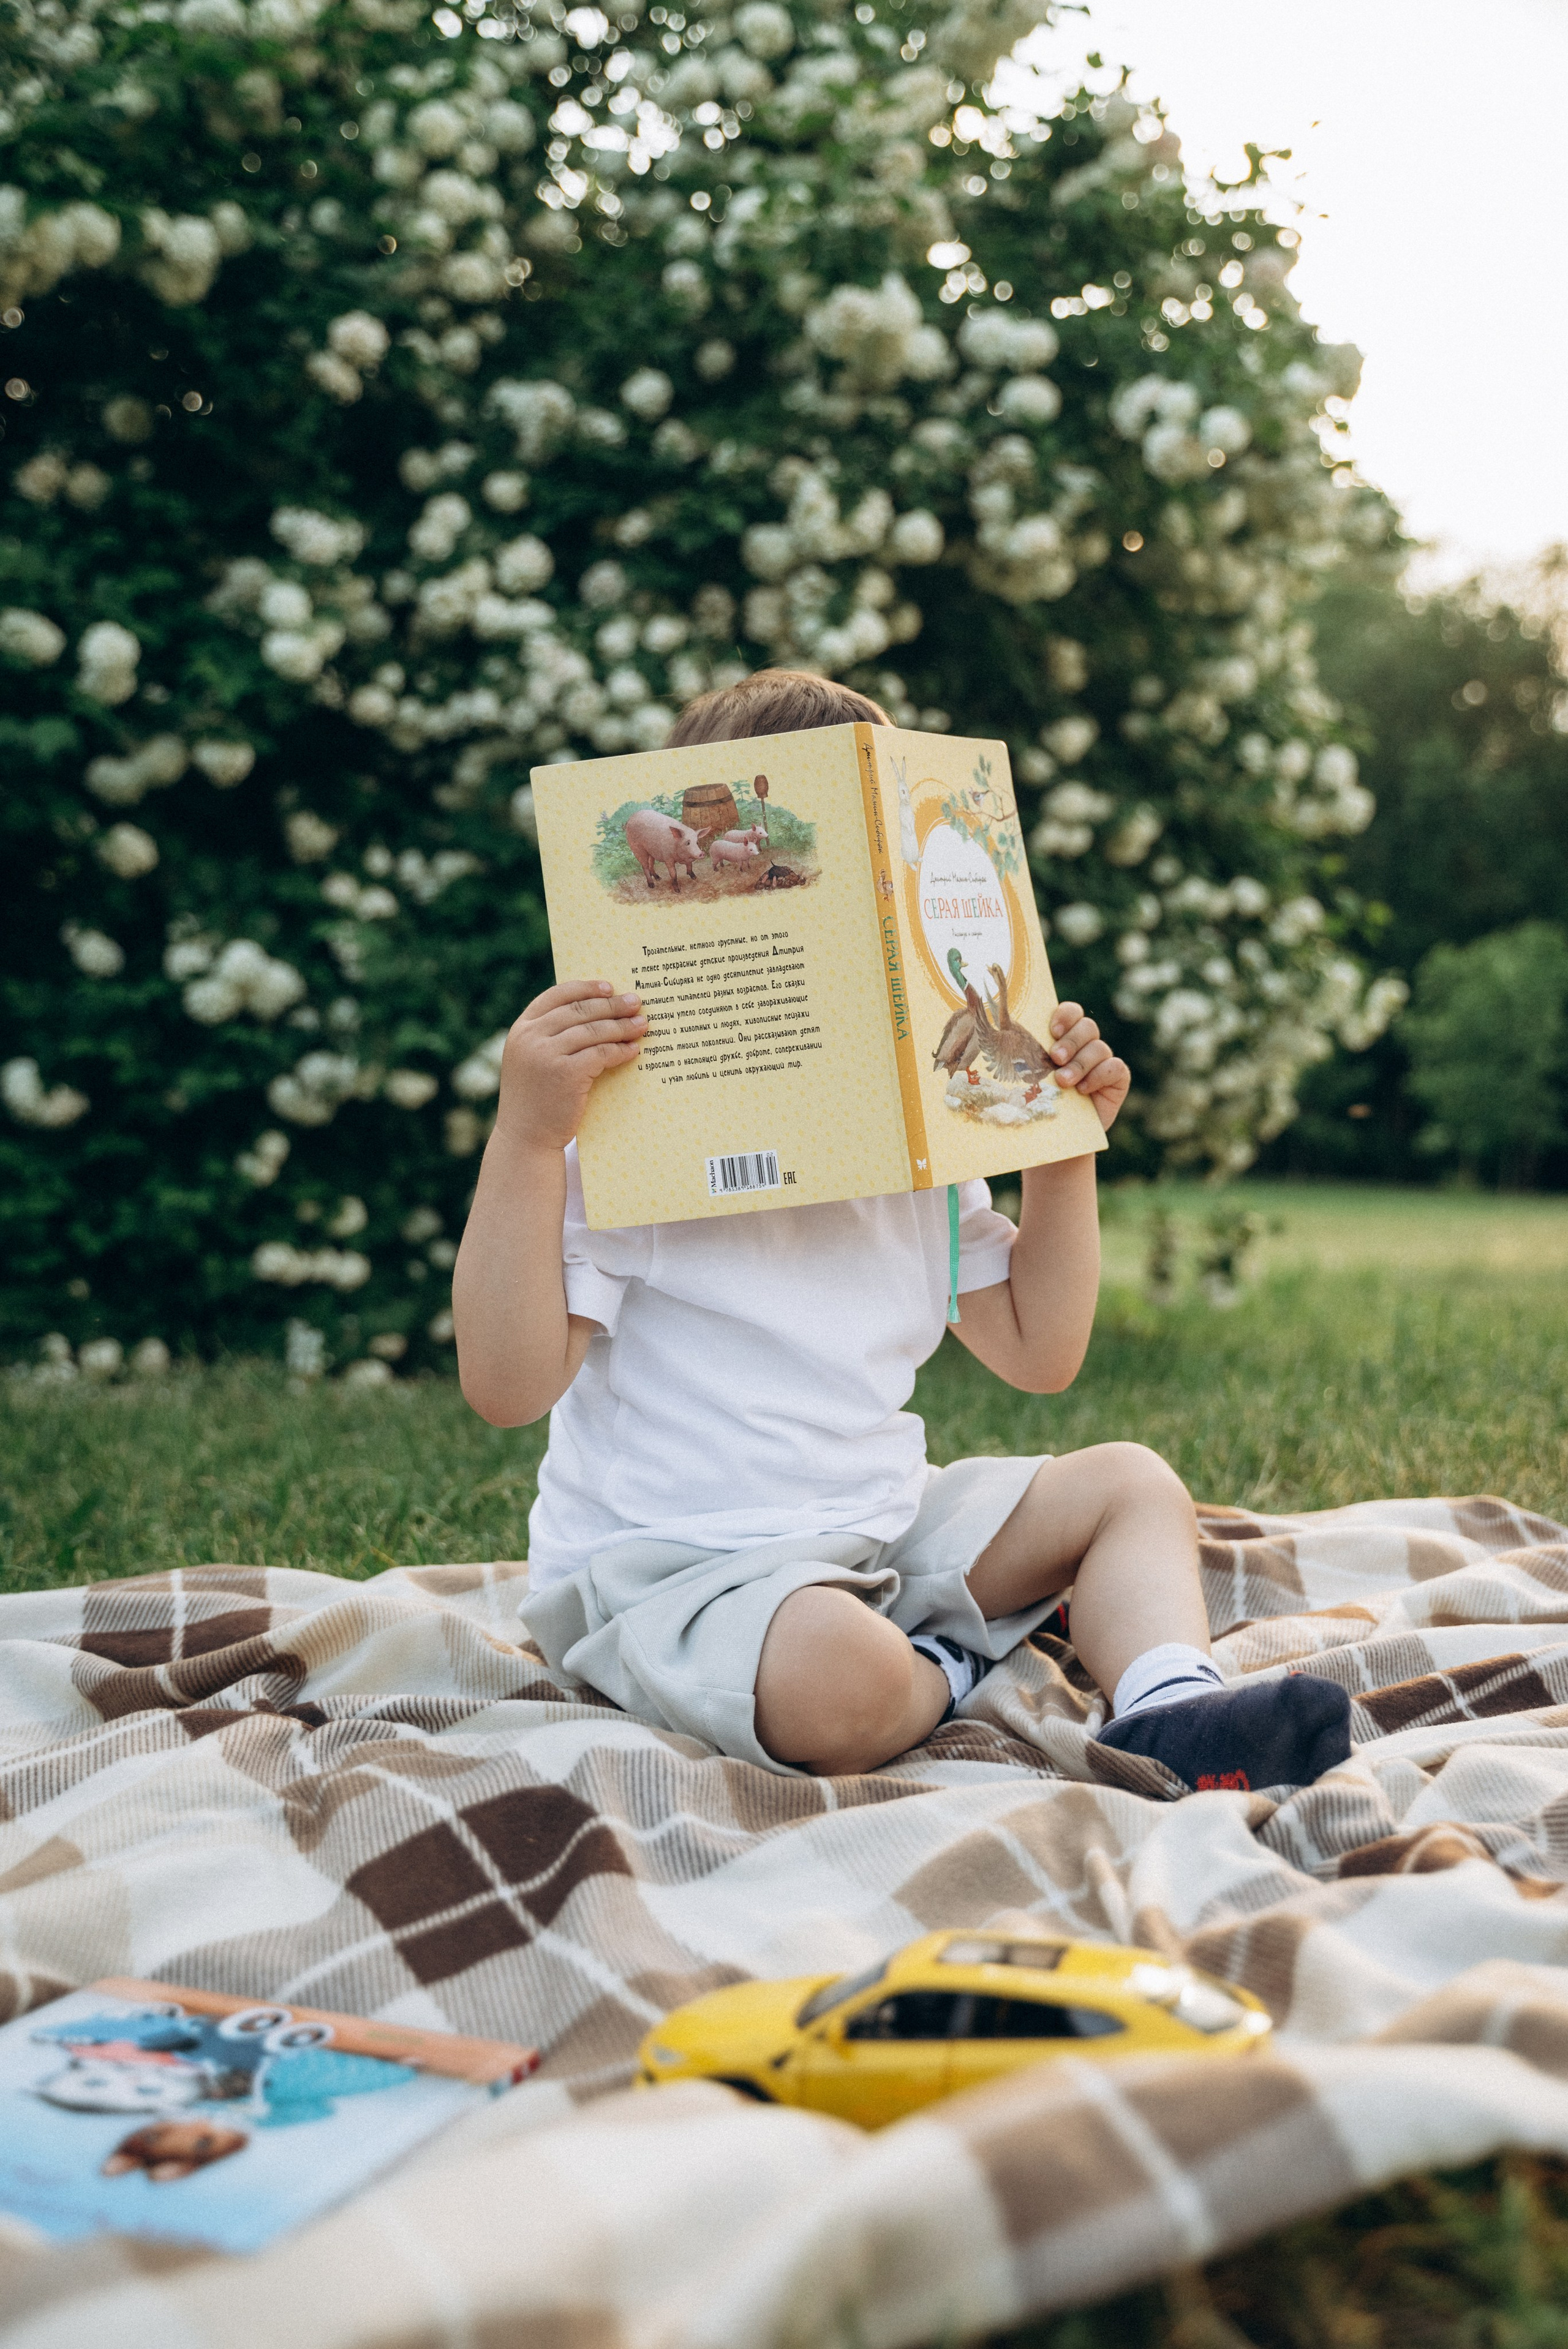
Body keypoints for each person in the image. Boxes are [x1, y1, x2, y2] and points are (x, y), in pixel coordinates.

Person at [453, 671, 1350, 1793]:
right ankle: (945, 1666)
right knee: (839, 1677)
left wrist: (1061, 1146)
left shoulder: (912, 1149)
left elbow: (1040, 1352)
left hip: (882, 1531)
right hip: (675, 1576)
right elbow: (506, 1387)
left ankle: (1174, 1707)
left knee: (1132, 1484)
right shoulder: (631, 1148)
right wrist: (528, 1140)